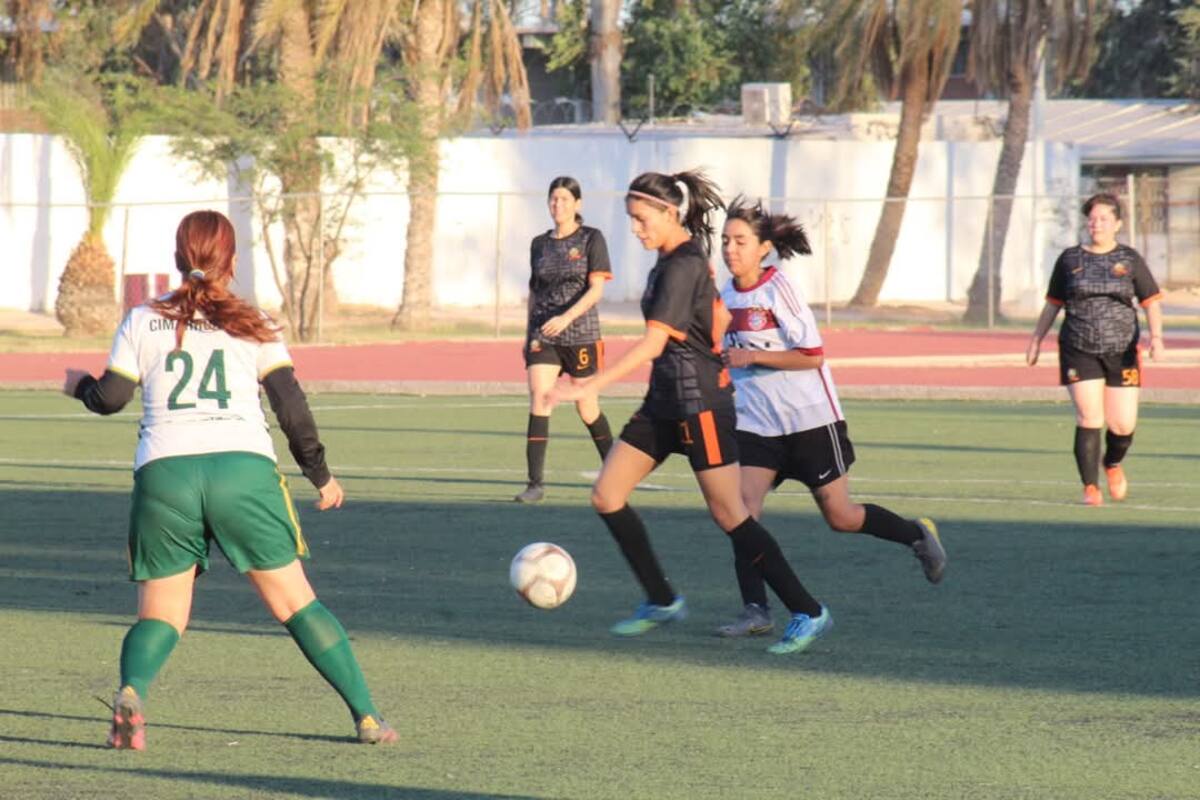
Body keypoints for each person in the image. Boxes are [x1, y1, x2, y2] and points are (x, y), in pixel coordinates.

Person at [63, 210, 396, 750]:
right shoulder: (254, 322)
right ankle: (368, 718)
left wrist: (78, 386)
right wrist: (321, 474)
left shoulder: (142, 319)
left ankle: (131, 691)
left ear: (178, 257)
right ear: (231, 261)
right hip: (242, 469)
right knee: (296, 604)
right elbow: (290, 406)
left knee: (163, 614)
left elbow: (110, 399)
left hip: (165, 474)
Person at [549, 170, 831, 655]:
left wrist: (589, 385)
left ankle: (807, 609)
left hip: (700, 404)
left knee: (730, 515)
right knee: (606, 495)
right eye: (631, 220)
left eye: (641, 219)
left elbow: (654, 341)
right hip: (664, 402)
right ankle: (661, 599)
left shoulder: (682, 264)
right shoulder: (669, 263)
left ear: (668, 212)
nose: (635, 229)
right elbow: (718, 317)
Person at [715, 197, 946, 637]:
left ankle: (915, 534)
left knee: (840, 516)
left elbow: (813, 356)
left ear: (763, 247)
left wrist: (752, 356)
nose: (730, 249)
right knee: (741, 511)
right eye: (725, 241)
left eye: (740, 241)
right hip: (758, 424)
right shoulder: (724, 295)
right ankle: (756, 610)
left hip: (810, 420)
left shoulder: (779, 288)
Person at [1027, 193, 1165, 505]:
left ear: (1117, 223)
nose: (1096, 224)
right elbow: (1053, 303)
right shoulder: (1070, 259)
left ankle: (1112, 463)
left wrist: (1156, 337)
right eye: (1092, 218)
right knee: (1089, 417)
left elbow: (1151, 301)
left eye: (1103, 218)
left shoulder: (1129, 259)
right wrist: (1036, 338)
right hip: (1078, 347)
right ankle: (1090, 487)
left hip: (1123, 350)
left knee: (1122, 424)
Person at [516, 176, 615, 503]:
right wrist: (528, 332)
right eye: (553, 199)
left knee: (587, 407)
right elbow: (534, 291)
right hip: (543, 333)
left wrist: (566, 318)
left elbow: (596, 290)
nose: (558, 205)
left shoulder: (591, 239)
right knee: (540, 398)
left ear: (578, 204)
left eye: (564, 199)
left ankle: (615, 472)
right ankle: (535, 484)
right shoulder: (539, 244)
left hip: (580, 333)